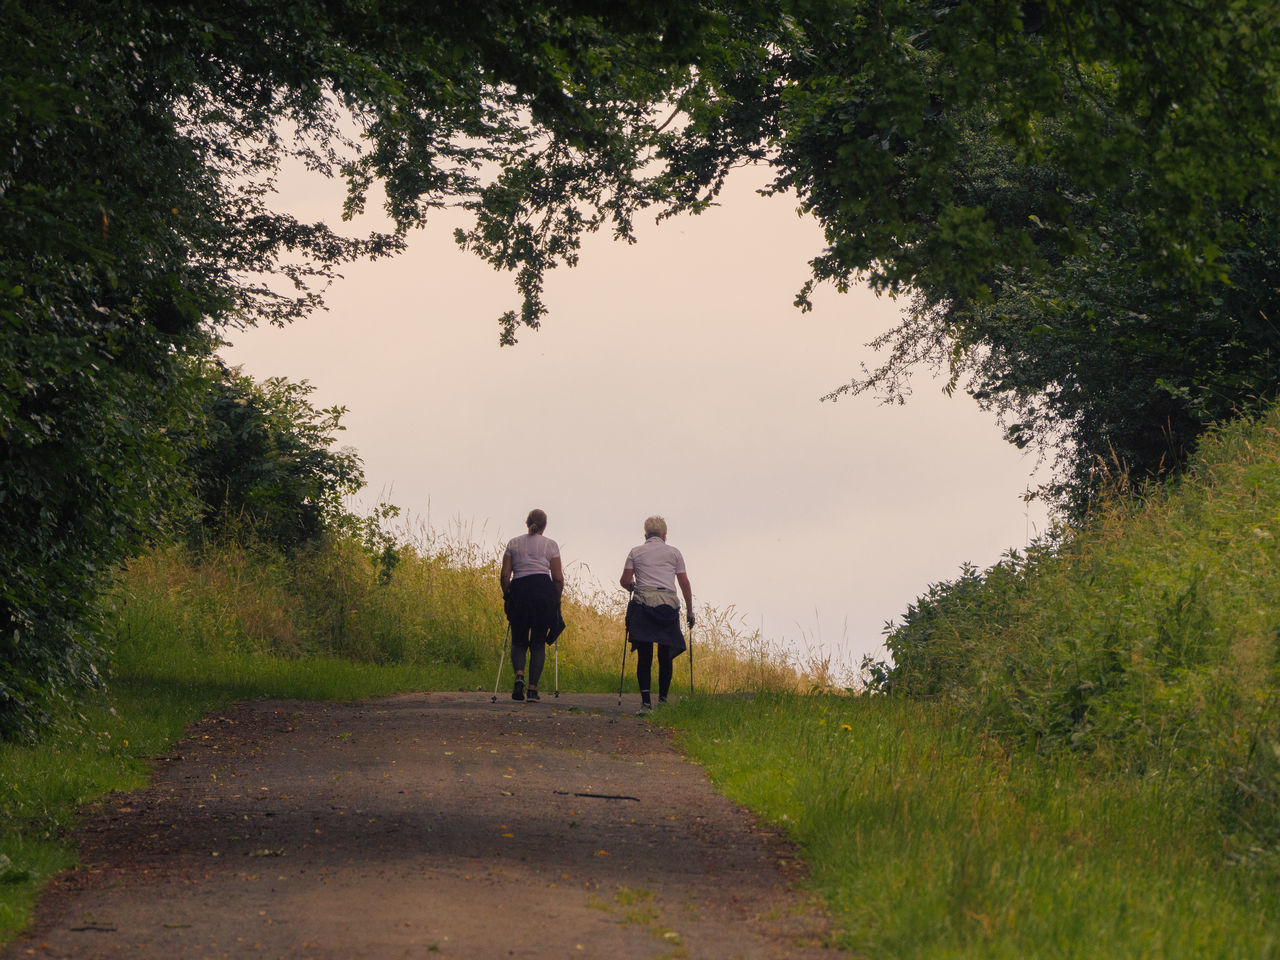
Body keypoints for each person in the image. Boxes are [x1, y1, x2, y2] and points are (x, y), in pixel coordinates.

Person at [619, 515, 693, 710]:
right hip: (667, 605)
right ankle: (663, 699)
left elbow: (625, 581)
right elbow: (684, 583)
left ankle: (645, 702)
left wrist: (633, 586)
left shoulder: (635, 552)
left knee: (645, 655)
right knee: (665, 654)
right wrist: (690, 611)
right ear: (664, 535)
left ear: (645, 534)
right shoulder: (674, 553)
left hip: (644, 604)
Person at [500, 508, 564, 702]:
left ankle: (519, 674)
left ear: (526, 522)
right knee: (537, 643)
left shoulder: (513, 543)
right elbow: (558, 579)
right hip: (543, 593)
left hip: (520, 591)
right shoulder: (551, 545)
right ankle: (533, 690)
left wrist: (508, 596)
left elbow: (504, 575)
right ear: (545, 526)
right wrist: (555, 600)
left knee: (518, 640)